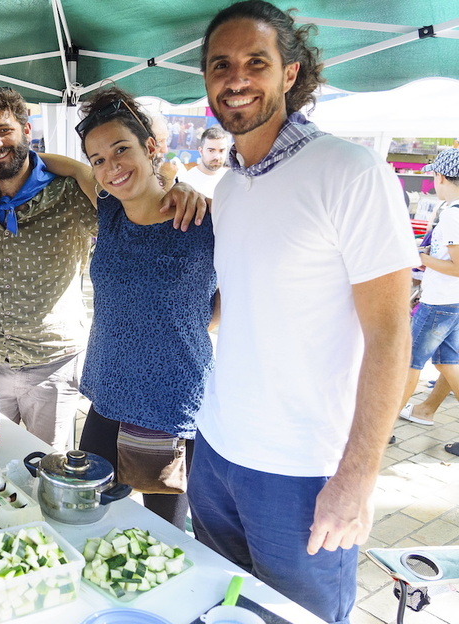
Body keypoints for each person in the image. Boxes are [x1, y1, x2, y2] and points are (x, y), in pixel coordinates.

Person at [186, 3, 417, 623]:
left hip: (302, 473)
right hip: (214, 450)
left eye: (255, 62)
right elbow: (238, 302)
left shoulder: (351, 172)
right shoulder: (229, 185)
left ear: (290, 73)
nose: (236, 78)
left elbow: (393, 336)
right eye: (221, 65)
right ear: (207, 81)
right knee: (218, 610)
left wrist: (358, 479)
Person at [0, 86, 204, 451]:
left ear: (26, 130)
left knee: (45, 476)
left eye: (4, 130)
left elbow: (134, 202)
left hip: (53, 366)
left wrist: (178, 188)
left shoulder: (70, 193)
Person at [73, 87, 216, 530]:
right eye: (98, 159)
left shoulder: (203, 220)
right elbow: (58, 164)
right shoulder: (109, 212)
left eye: (121, 149)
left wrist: (187, 321)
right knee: (86, 516)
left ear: (151, 147)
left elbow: (236, 299)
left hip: (171, 403)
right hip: (107, 392)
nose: (110, 167)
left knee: (167, 538)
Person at [398, 149, 459, 431]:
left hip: (439, 302)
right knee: (449, 364)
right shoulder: (452, 211)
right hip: (451, 302)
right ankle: (420, 413)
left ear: (442, 177)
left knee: (409, 364)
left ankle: (382, 428)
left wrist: (418, 257)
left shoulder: (452, 215)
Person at [181, 126, 230, 197]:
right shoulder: (184, 181)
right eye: (211, 151)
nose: (217, 156)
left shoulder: (232, 180)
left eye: (221, 151)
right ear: (201, 151)